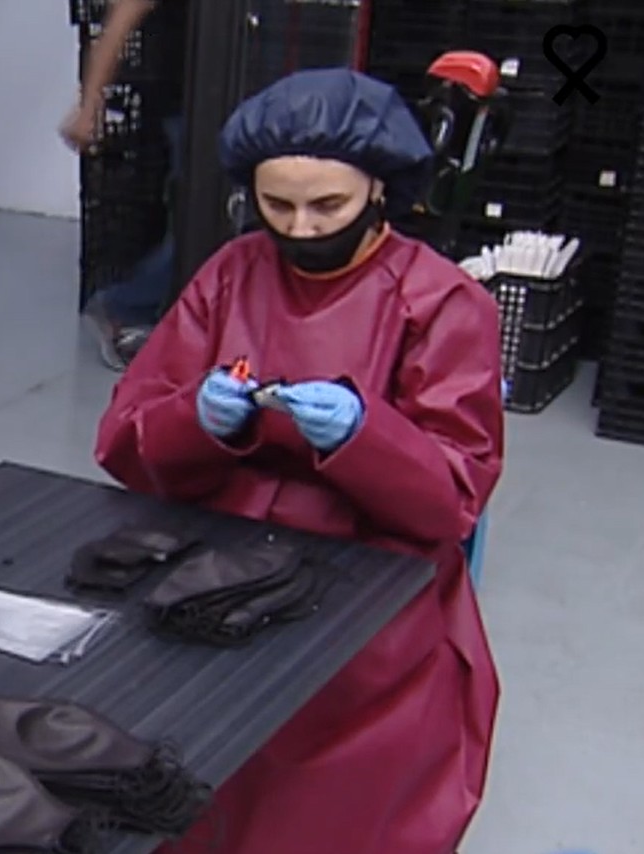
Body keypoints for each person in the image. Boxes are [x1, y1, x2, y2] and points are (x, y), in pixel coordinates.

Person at [93, 68, 503, 853]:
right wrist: (197, 420)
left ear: (380, 188)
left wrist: (365, 438)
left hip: (371, 587)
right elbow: (124, 439)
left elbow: (452, 501)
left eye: (328, 206)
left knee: (329, 805)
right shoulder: (232, 272)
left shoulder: (443, 301)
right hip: (218, 567)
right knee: (180, 756)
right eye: (277, 205)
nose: (302, 228)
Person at [62, 0, 187, 370]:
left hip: (237, 95)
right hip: (187, 103)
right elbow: (117, 26)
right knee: (201, 215)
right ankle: (125, 304)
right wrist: (89, 108)